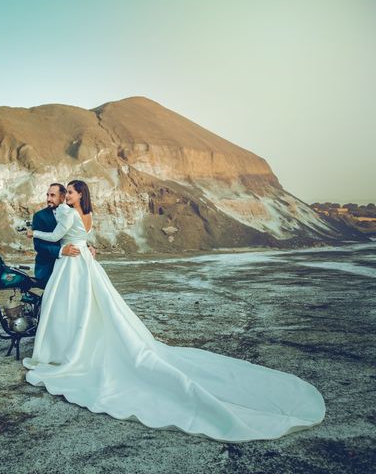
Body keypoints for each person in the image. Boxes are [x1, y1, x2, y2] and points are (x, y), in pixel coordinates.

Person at [24, 179, 325, 442]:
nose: (61, 198)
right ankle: (71, 346)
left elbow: (54, 237)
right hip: (81, 263)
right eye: (58, 194)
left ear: (74, 194)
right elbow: (77, 234)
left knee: (76, 307)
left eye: (66, 193)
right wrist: (79, 243)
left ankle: (70, 352)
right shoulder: (83, 213)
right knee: (83, 307)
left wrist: (36, 234)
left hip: (74, 265)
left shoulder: (66, 212)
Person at [32, 183, 94, 288]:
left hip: (72, 262)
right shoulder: (40, 216)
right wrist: (61, 251)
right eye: (47, 195)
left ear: (62, 196)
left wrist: (87, 246)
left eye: (52, 195)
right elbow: (38, 246)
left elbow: (74, 234)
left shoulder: (70, 213)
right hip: (48, 267)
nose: (48, 199)